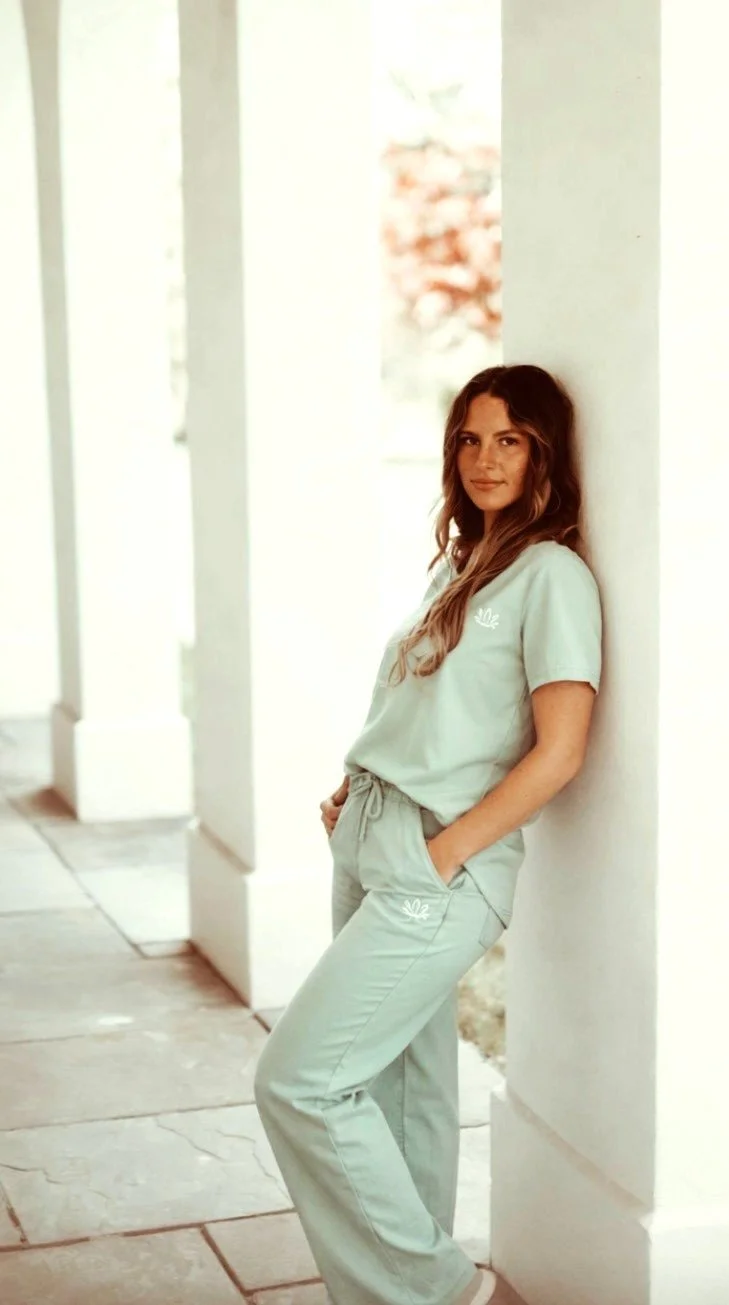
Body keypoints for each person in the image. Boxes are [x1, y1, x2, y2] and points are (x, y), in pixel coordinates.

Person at [253, 364, 603, 1305]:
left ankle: (437, 1287)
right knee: (400, 1086)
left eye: (509, 439)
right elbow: (425, 703)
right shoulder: (461, 564)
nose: (483, 458)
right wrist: (354, 786)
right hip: (372, 835)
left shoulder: (552, 575)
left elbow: (559, 751)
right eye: (468, 437)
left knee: (300, 1081)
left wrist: (443, 852)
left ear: (544, 453)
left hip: (437, 862)